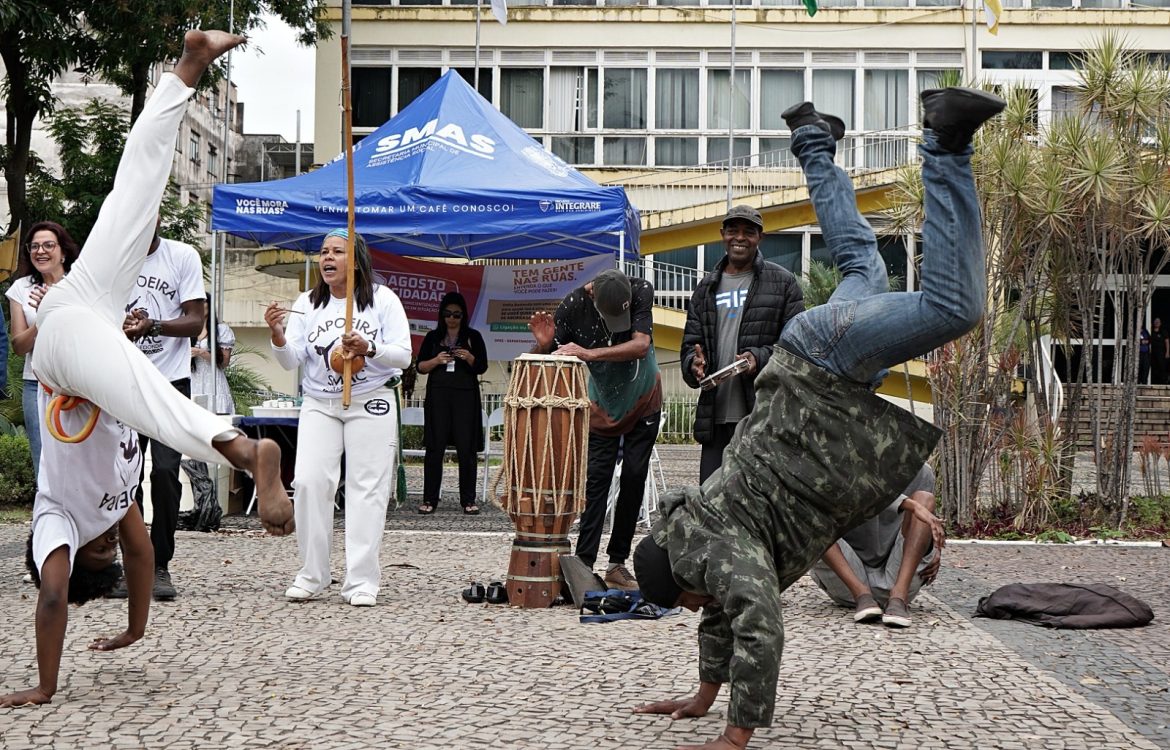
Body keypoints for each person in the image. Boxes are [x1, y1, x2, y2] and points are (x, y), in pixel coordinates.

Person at [632, 87, 1005, 750]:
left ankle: (946, 143)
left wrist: (735, 736)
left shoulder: (719, 552)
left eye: (686, 600)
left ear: (686, 572)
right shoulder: (708, 537)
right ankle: (811, 138)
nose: (697, 608)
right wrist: (703, 695)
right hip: (814, 359)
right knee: (862, 260)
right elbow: (721, 618)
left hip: (823, 367)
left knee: (955, 308)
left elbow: (758, 624)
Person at [0, 30, 293, 709]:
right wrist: (135, 630)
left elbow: (52, 595)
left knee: (151, 400)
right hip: (91, 307)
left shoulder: (56, 516)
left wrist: (45, 684)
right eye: (109, 548)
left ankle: (246, 451)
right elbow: (143, 558)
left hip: (61, 349)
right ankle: (188, 67)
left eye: (96, 551)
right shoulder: (116, 507)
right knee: (134, 194)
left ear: (72, 551)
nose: (111, 542)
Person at [265, 228, 412, 607]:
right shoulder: (308, 303)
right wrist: (278, 336)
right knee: (310, 481)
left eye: (337, 252)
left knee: (367, 489)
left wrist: (370, 347)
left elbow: (404, 355)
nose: (327, 257)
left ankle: (361, 580)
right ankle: (312, 574)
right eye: (324, 251)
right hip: (320, 401)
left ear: (356, 261)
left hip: (371, 400)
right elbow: (291, 360)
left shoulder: (382, 300)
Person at [528, 269, 661, 591]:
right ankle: (585, 565)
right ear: (592, 295)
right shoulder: (572, 306)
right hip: (603, 406)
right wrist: (543, 347)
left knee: (634, 477)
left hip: (644, 397)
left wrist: (589, 353)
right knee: (597, 482)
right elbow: (551, 362)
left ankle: (617, 564)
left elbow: (641, 345)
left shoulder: (641, 288)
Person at [110, 220, 206, 601]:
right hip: (125, 384)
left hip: (170, 385)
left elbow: (196, 321)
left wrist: (153, 326)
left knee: (165, 473)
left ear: (158, 218)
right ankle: (130, 564)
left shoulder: (182, 256)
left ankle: (160, 564)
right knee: (124, 478)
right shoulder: (114, 260)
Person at [681, 205, 804, 484]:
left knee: (757, 498)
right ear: (722, 235)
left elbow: (797, 348)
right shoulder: (705, 288)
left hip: (761, 417)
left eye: (749, 232)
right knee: (711, 498)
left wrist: (759, 358)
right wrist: (693, 364)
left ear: (760, 237)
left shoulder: (783, 283)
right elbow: (690, 346)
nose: (740, 238)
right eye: (733, 231)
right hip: (714, 417)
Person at [809, 464, 940, 628]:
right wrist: (908, 504)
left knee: (925, 498)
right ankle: (861, 594)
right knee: (811, 508)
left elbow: (927, 519)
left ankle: (899, 597)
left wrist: (935, 548)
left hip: (898, 577)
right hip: (846, 579)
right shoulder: (841, 463)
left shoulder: (921, 472)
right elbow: (862, 491)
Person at [6, 222, 80, 482]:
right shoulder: (21, 288)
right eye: (35, 246)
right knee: (43, 460)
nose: (41, 251)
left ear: (63, 252)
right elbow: (19, 346)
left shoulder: (78, 286)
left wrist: (56, 309)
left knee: (77, 456)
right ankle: (47, 508)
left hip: (76, 383)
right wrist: (42, 320)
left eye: (48, 245)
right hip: (35, 383)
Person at [416, 291, 488, 515]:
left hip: (465, 397)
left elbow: (482, 366)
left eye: (457, 315)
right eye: (448, 314)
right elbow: (420, 367)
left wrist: (468, 357)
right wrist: (437, 360)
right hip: (438, 396)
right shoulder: (432, 337)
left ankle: (468, 500)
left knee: (466, 449)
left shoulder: (473, 336)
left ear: (463, 316)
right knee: (434, 447)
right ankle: (430, 499)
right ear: (441, 315)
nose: (452, 319)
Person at [1150, 317, 1167, 385]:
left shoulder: (1163, 331)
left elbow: (1167, 342)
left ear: (1160, 323)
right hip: (1152, 352)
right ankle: (1155, 382)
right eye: (1155, 321)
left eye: (1158, 321)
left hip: (1161, 352)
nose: (1157, 323)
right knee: (1154, 367)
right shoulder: (1151, 331)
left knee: (1161, 366)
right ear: (1153, 323)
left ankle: (1163, 382)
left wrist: (1167, 352)